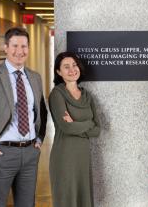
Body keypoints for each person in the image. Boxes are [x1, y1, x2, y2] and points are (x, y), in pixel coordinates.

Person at [0, 27, 48, 207]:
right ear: (5, 47)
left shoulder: (35, 77)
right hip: (0, 153)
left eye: (24, 46)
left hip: (30, 153)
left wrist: (40, 138)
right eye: (15, 46)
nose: (19, 51)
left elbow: (41, 110)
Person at [49, 52, 100, 207]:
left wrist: (76, 123)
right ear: (58, 72)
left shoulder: (87, 96)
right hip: (64, 156)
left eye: (74, 65)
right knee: (67, 200)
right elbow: (66, 127)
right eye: (66, 67)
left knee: (83, 200)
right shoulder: (57, 94)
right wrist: (87, 123)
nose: (72, 69)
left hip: (82, 157)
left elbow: (97, 130)